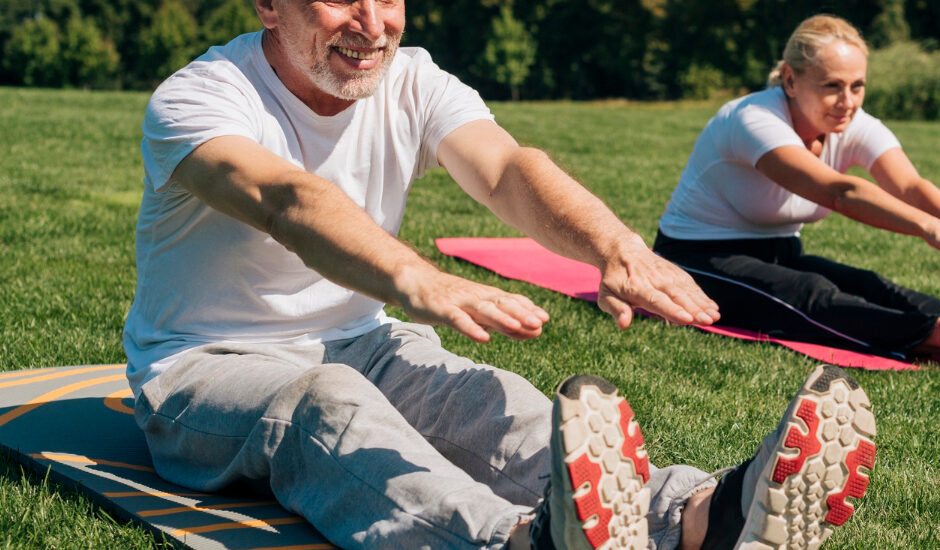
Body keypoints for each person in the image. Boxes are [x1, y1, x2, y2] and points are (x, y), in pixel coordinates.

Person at [123, 0, 877, 548]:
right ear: (268, 5)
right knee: (326, 404)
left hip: (364, 340)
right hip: (204, 370)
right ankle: (515, 543)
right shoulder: (199, 99)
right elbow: (291, 201)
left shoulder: (412, 80)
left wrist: (614, 246)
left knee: (491, 403)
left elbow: (509, 170)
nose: (371, 22)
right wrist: (418, 278)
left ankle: (701, 516)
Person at [653, 15, 940, 369]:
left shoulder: (852, 123)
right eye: (832, 85)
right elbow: (839, 192)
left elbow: (909, 185)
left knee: (866, 283)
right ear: (791, 80)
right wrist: (928, 228)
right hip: (696, 259)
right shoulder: (752, 120)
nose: (847, 102)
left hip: (777, 251)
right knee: (809, 295)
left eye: (857, 86)